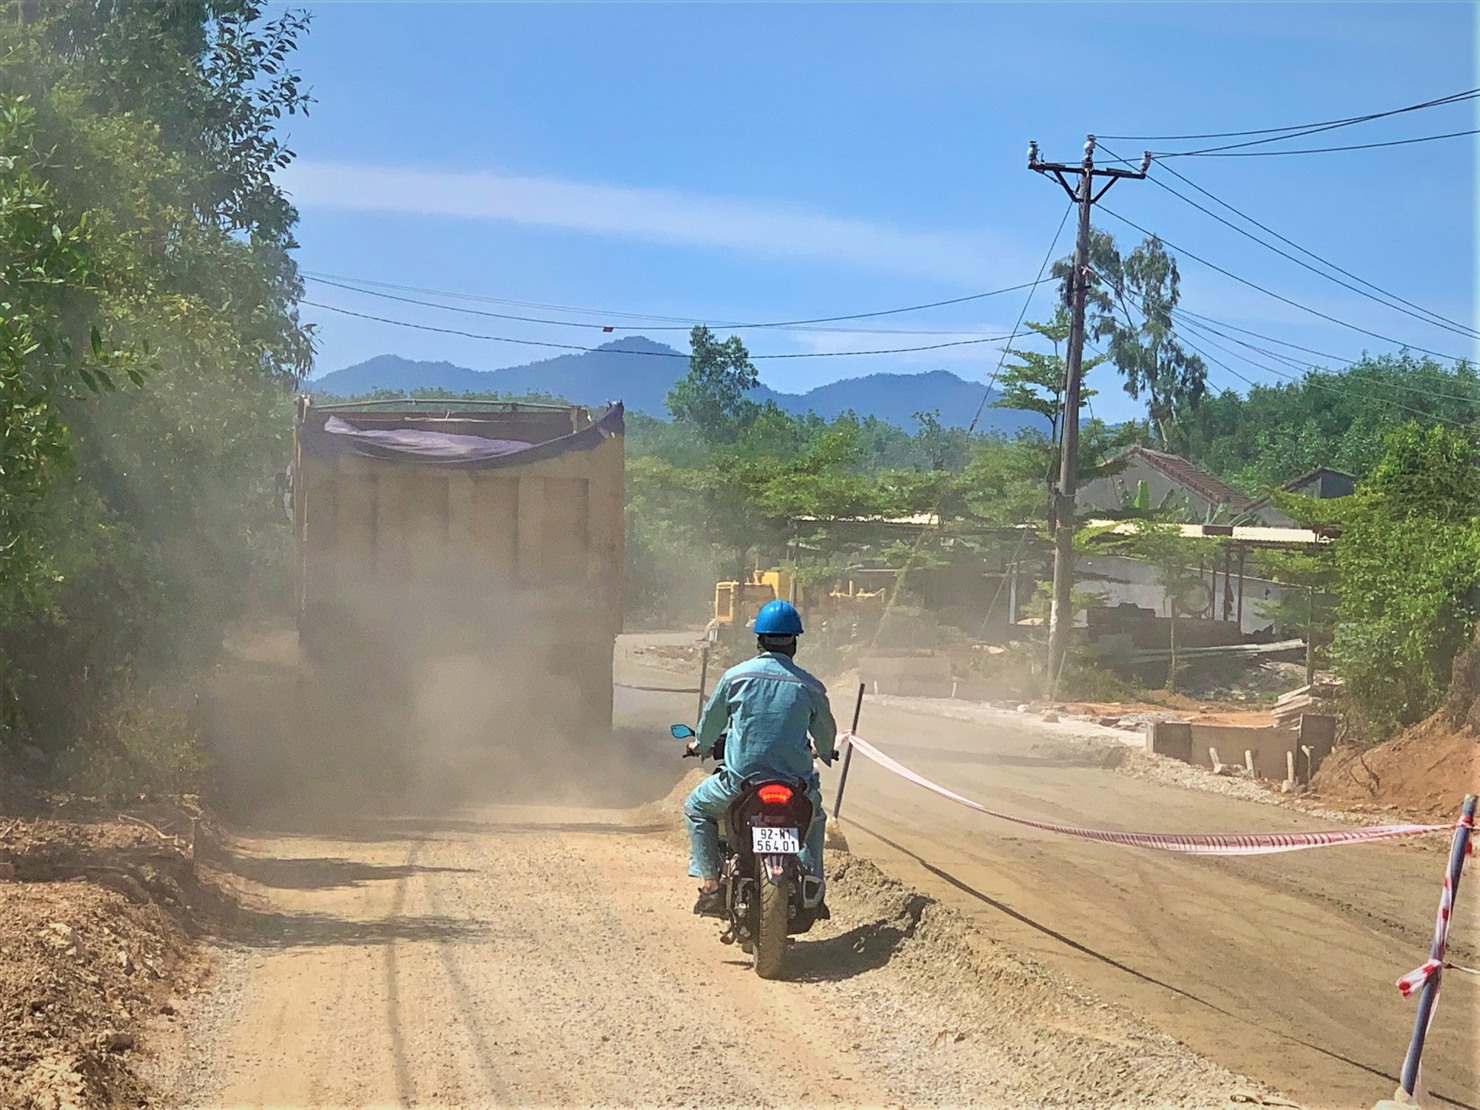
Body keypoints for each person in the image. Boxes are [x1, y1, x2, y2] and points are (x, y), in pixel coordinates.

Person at [683, 599, 838, 917]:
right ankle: (814, 886)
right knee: (816, 819)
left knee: (696, 809)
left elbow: (711, 724)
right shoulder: (811, 686)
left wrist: (699, 746)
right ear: (794, 642)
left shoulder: (735, 677)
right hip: (795, 787)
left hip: (741, 786)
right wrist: (823, 751)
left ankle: (711, 886)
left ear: (759, 640)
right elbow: (825, 734)